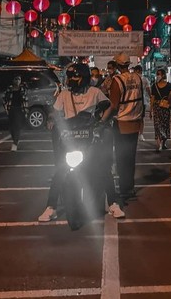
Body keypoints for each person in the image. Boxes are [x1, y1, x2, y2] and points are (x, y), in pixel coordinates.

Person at [38, 62, 125, 222]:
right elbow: (55, 113)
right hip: (70, 141)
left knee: (104, 169)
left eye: (75, 76)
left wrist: (101, 123)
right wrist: (53, 121)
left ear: (83, 77)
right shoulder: (64, 94)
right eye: (70, 76)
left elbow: (109, 106)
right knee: (59, 171)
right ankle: (51, 207)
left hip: (91, 140)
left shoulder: (95, 92)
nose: (72, 79)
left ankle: (113, 203)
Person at [104, 52, 144, 202]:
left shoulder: (118, 80)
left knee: (121, 158)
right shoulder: (138, 78)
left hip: (121, 123)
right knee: (131, 157)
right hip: (135, 121)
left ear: (118, 65)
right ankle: (130, 187)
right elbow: (141, 102)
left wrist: (103, 119)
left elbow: (113, 104)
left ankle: (124, 188)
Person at [2, 74, 29, 151]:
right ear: (13, 80)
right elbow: (4, 98)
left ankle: (15, 143)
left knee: (17, 127)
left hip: (19, 110)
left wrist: (26, 111)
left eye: (19, 79)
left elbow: (26, 100)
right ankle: (15, 139)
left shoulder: (22, 89)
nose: (18, 81)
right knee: (11, 128)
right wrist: (6, 108)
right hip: (11, 110)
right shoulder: (9, 89)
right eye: (16, 79)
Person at [150, 67, 171, 152]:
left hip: (166, 108)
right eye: (157, 74)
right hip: (157, 107)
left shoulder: (169, 85)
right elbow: (152, 98)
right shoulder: (154, 86)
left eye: (159, 74)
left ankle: (164, 143)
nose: (157, 76)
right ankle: (159, 143)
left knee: (165, 125)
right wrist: (151, 110)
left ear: (163, 75)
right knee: (157, 125)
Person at [133, 64, 151, 138]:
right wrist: (150, 97)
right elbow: (148, 90)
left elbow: (148, 90)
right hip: (140, 101)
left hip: (136, 101)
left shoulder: (142, 79)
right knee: (140, 118)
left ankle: (139, 133)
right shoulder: (144, 79)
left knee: (138, 118)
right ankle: (140, 133)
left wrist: (150, 98)